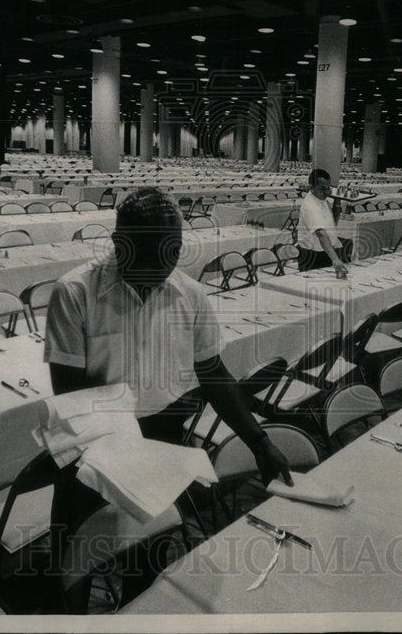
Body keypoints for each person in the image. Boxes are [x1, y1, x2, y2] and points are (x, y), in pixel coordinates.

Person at [43, 186, 292, 610]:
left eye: (173, 251)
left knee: (149, 557)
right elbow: (69, 392)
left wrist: (259, 440)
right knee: (74, 563)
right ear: (121, 245)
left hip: (161, 438)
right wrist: (119, 448)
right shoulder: (75, 293)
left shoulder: (190, 295)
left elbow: (213, 373)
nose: (163, 266)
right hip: (91, 441)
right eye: (150, 253)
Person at [295, 168, 348, 276]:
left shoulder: (322, 199)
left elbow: (333, 222)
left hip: (326, 251)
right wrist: (335, 259)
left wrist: (337, 202)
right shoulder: (310, 206)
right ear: (311, 187)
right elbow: (321, 233)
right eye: (322, 189)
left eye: (328, 188)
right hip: (313, 256)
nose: (327, 192)